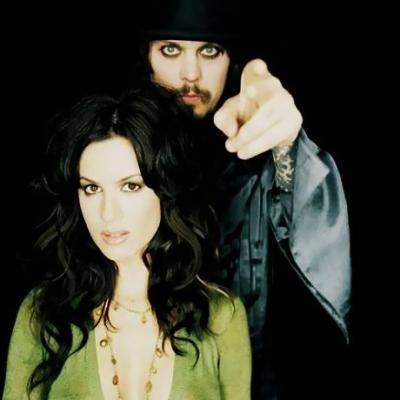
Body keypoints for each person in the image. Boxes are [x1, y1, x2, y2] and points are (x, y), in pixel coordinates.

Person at [131, 0, 352, 398]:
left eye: (209, 51)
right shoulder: (115, 149)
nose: (191, 74)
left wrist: (287, 144)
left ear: (230, 59)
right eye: (171, 50)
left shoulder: (250, 154)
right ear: (146, 57)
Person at [2, 83, 251, 399]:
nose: (108, 213)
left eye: (131, 186)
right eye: (92, 188)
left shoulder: (221, 315)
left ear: (166, 190)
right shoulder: (44, 313)